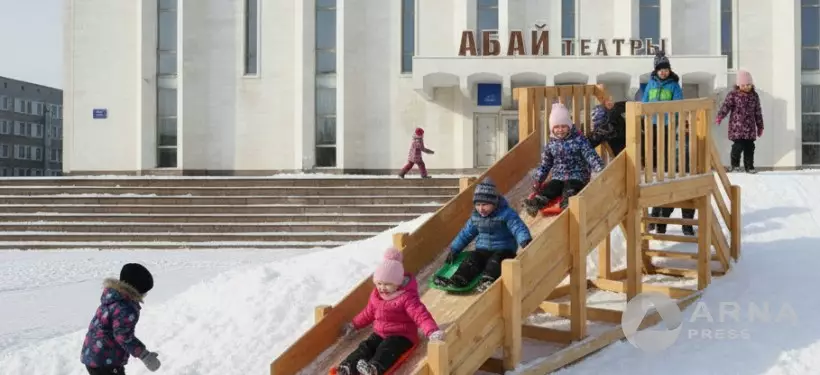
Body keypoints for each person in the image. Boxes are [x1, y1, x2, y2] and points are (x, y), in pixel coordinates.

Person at [339, 248, 443, 375]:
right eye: (379, 283)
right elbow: (367, 313)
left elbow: (420, 315)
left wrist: (432, 331)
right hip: (380, 333)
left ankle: (374, 368)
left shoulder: (406, 297)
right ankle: (348, 366)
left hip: (402, 336)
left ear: (397, 283)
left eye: (387, 284)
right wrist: (354, 324)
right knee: (366, 346)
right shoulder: (376, 296)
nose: (382, 288)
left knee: (386, 348)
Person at [442, 177, 532, 292]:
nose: (481, 209)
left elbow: (518, 227)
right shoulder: (476, 217)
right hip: (482, 250)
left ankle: (487, 279)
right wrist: (454, 249)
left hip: (504, 250)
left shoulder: (506, 214)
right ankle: (460, 278)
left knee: (495, 261)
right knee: (472, 258)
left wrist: (525, 240)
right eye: (478, 204)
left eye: (485, 204)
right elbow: (465, 234)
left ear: (494, 203)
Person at [642, 51, 696, 236]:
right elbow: (645, 100)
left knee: (667, 146)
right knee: (653, 147)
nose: (663, 73)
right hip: (653, 123)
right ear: (656, 71)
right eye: (660, 70)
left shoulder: (674, 85)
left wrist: (671, 113)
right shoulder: (650, 84)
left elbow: (679, 102)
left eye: (665, 70)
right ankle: (654, 163)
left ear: (669, 70)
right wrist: (644, 113)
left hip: (668, 123)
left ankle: (663, 163)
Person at [523, 102, 605, 217]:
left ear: (569, 126)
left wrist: (600, 169)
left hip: (578, 175)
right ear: (552, 128)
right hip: (558, 176)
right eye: (556, 127)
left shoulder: (579, 140)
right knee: (551, 187)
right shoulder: (551, 144)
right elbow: (545, 165)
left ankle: (567, 202)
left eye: (563, 126)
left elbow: (590, 155)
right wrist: (538, 180)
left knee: (571, 187)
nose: (560, 130)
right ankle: (537, 202)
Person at [81, 263, 161, 375]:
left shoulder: (111, 298)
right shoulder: (126, 307)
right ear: (138, 289)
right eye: (144, 292)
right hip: (106, 361)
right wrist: (145, 355)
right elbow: (123, 336)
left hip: (93, 355)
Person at [715, 70, 764, 174]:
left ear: (752, 84)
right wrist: (720, 116)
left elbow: (758, 112)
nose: (746, 87)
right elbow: (726, 107)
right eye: (743, 85)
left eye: (748, 85)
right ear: (738, 85)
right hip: (737, 128)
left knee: (750, 148)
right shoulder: (733, 95)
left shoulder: (754, 96)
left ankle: (749, 167)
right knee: (738, 147)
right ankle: (735, 166)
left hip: (750, 129)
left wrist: (760, 126)